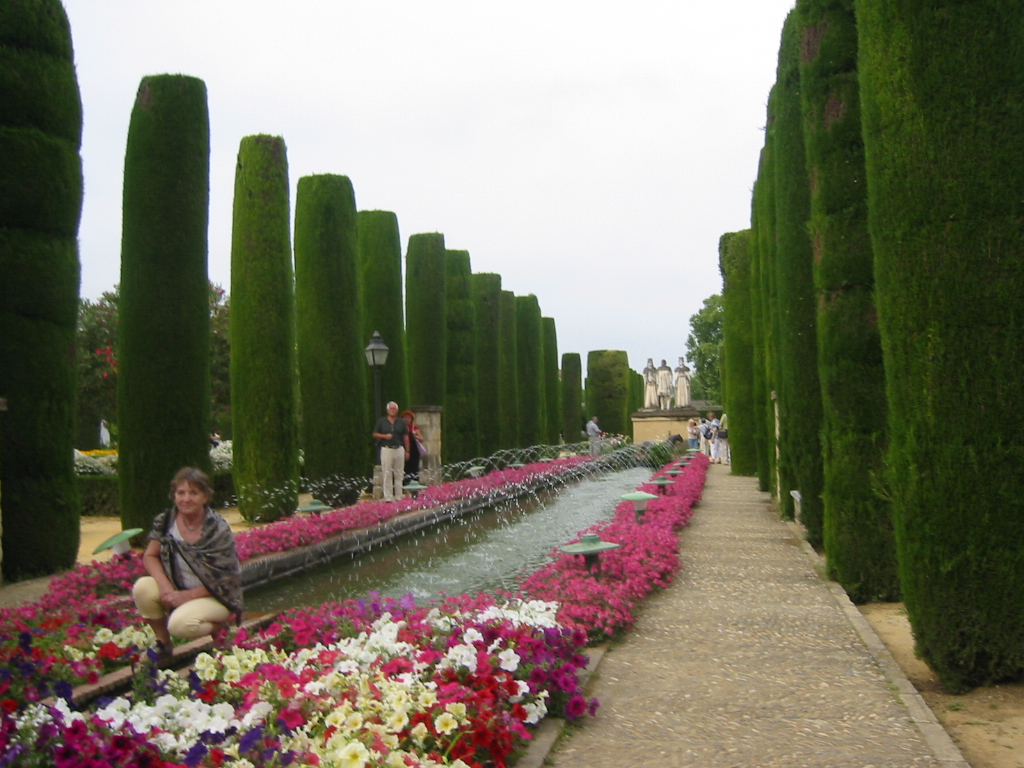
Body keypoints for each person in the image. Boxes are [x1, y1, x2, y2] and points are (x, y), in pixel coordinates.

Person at [133, 467, 242, 665]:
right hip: (177, 588)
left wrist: (186, 596)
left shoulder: (217, 528)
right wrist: (166, 587)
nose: (186, 499)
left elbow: (227, 577)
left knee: (180, 625)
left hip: (216, 595)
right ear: (174, 496)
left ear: (205, 497)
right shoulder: (166, 521)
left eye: (194, 493)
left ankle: (218, 628)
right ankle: (163, 644)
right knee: (143, 587)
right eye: (181, 493)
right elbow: (150, 555)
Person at [373, 401, 410, 501]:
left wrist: (407, 451)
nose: (393, 410)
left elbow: (405, 436)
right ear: (388, 410)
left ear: (397, 410)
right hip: (387, 449)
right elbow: (375, 434)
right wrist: (385, 436)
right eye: (391, 408)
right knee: (387, 472)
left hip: (399, 449)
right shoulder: (382, 422)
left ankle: (398, 495)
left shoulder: (401, 422)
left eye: (395, 409)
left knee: (399, 473)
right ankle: (388, 496)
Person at [402, 410, 425, 483]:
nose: (407, 419)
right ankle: (405, 485)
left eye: (408, 418)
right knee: (405, 468)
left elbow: (422, 439)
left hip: (413, 450)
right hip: (403, 448)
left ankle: (414, 484)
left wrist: (415, 436)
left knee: (414, 468)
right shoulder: (401, 428)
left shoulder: (414, 428)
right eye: (405, 417)